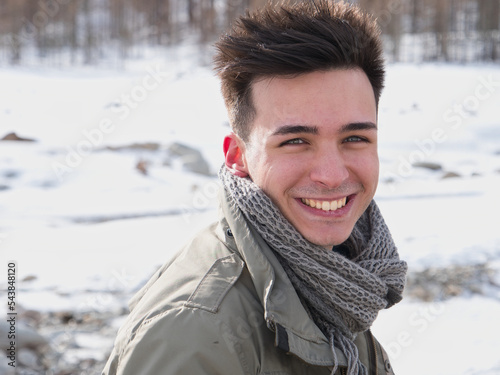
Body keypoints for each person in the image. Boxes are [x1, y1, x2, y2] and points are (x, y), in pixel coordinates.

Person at [102, 1, 407, 374]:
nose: (331, 174)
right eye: (295, 141)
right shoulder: (194, 334)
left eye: (355, 138)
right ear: (237, 156)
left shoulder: (339, 280)